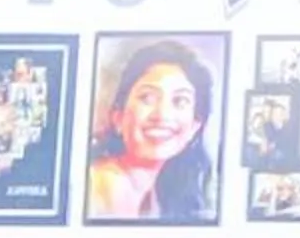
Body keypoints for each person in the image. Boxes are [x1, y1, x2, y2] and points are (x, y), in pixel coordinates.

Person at [87, 40, 218, 223]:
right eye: (147, 98)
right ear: (118, 117)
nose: (162, 115)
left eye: (180, 101)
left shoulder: (160, 196)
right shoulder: (100, 188)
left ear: (194, 127)